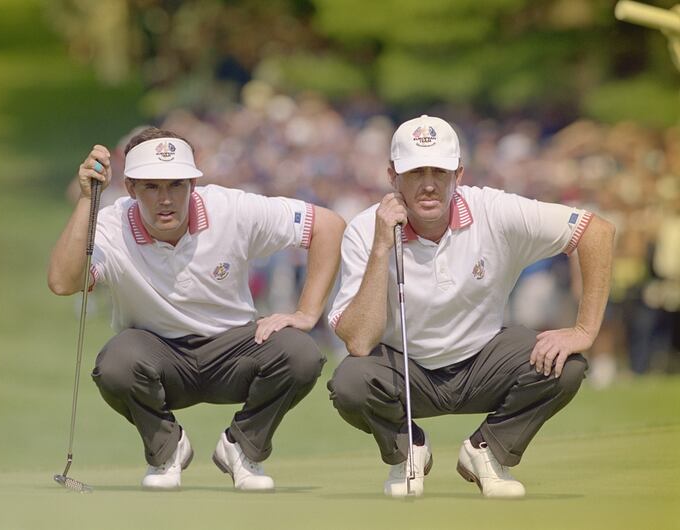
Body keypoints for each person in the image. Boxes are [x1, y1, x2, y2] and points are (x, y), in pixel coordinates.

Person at [326, 115, 615, 498]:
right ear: (392, 177)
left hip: (484, 360)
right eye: (415, 172)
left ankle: (487, 452)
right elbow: (360, 342)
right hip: (406, 369)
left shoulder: (493, 210)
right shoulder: (365, 230)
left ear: (458, 174)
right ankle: (407, 449)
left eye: (439, 171)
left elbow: (595, 231)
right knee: (350, 382)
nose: (428, 184)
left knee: (567, 365)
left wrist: (584, 330)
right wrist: (382, 246)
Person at [48, 127, 345, 492]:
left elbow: (328, 226)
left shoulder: (232, 209)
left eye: (177, 185)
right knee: (115, 363)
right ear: (131, 189)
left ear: (192, 184)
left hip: (234, 351)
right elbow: (63, 282)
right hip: (156, 356)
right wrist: (86, 201)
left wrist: (306, 312)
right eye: (152, 187)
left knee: (301, 354)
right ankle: (166, 448)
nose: (166, 199)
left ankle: (242, 447)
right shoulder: (111, 224)